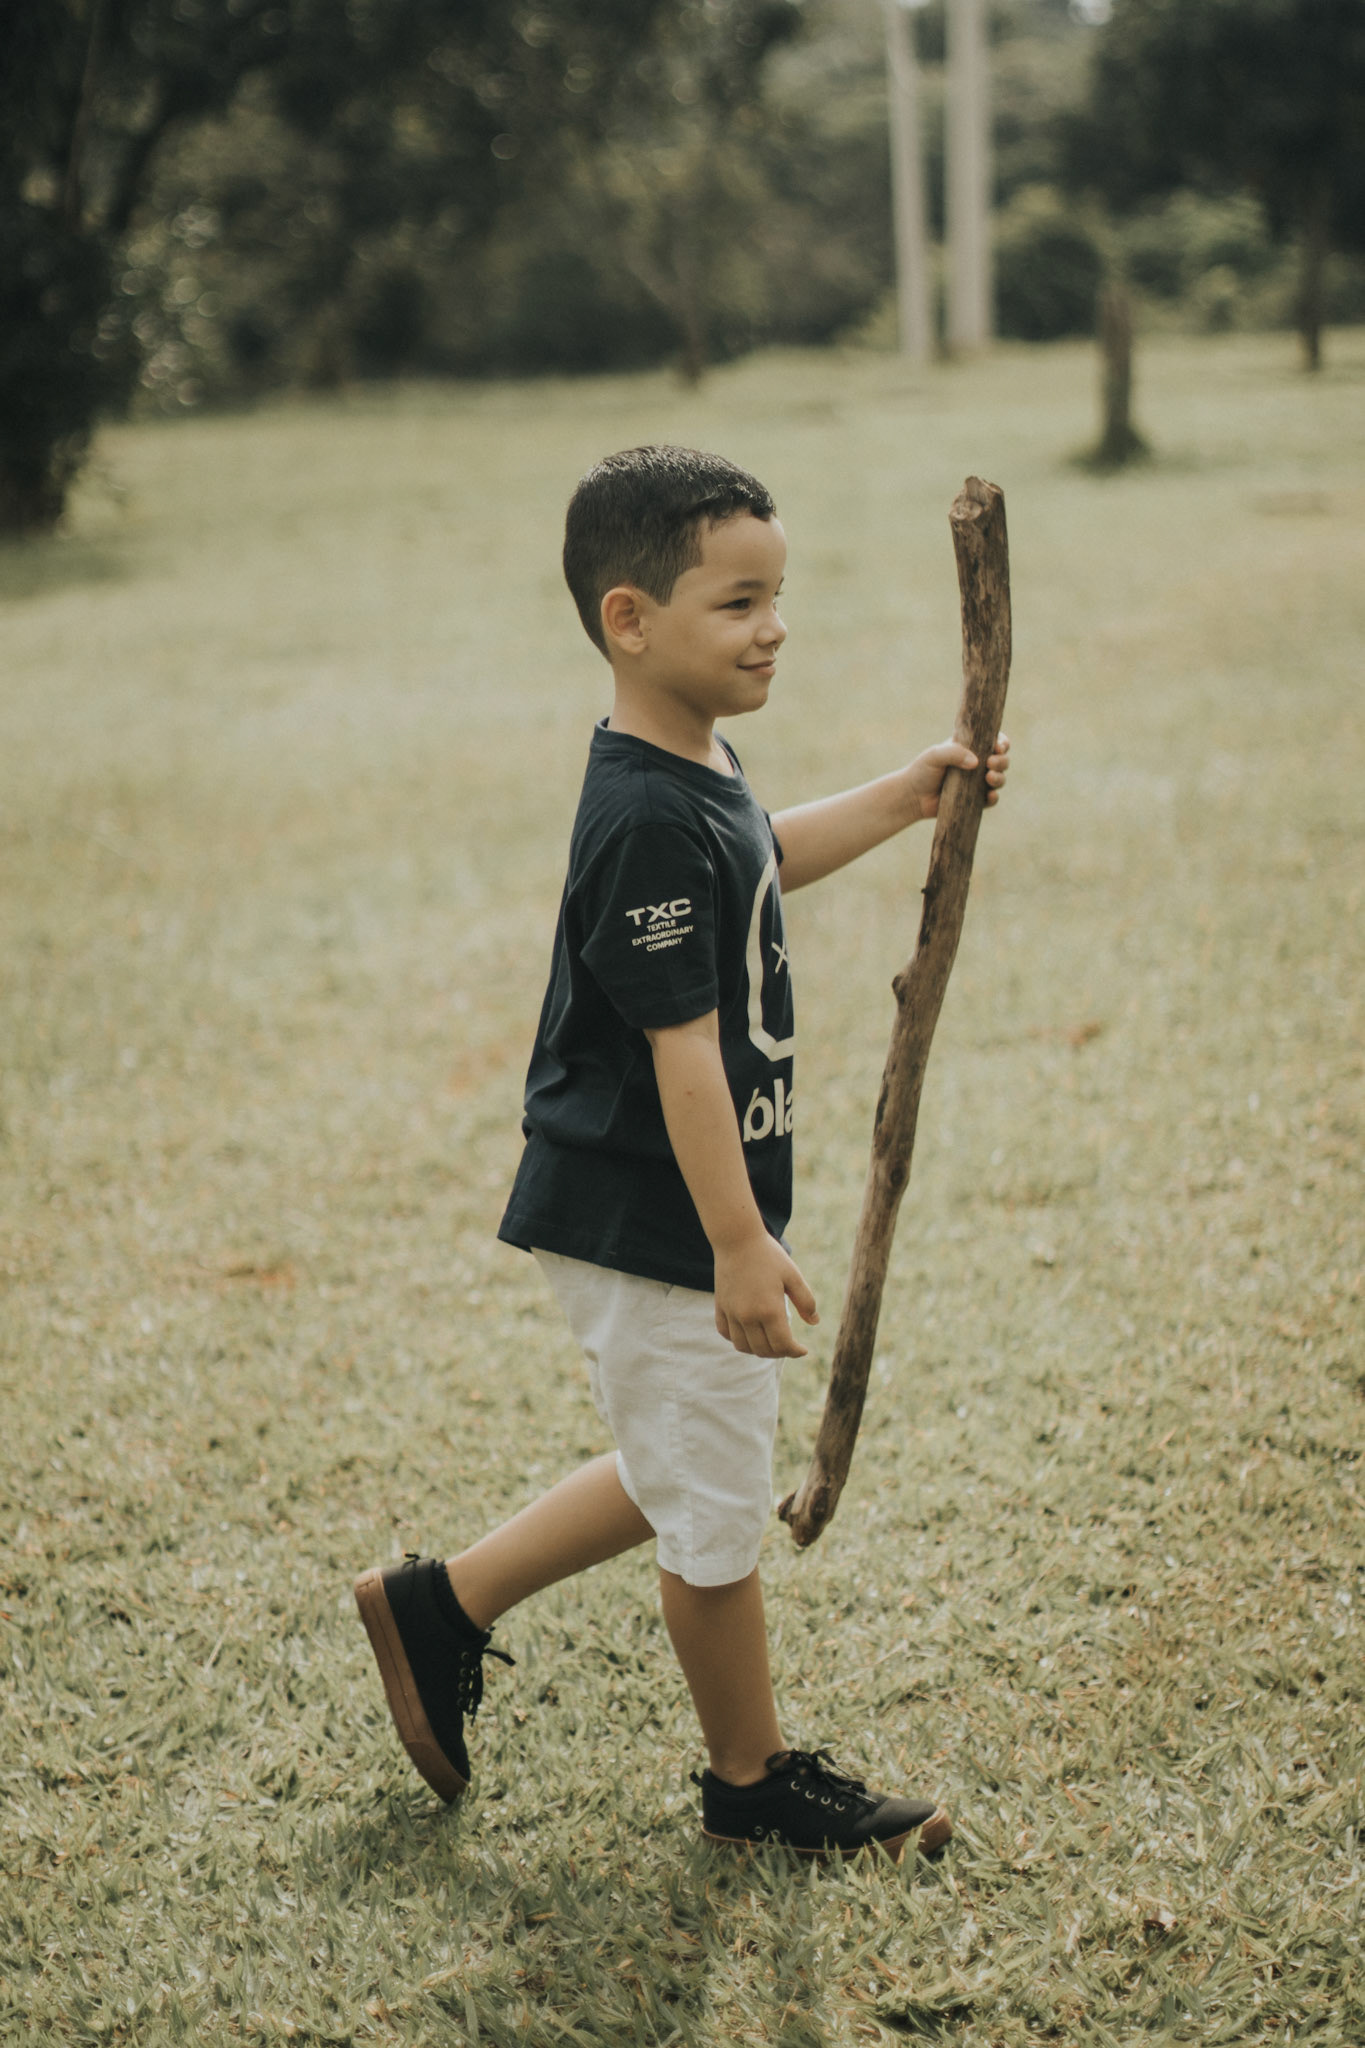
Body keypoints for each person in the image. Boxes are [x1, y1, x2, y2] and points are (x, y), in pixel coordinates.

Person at [355, 445, 1009, 1861]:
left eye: (777, 596)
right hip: (654, 1214)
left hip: (663, 1207)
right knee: (713, 1506)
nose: (773, 628)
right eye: (738, 603)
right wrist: (733, 1242)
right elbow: (682, 1052)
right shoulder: (646, 814)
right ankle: (748, 1780)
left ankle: (437, 1605)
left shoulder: (693, 765)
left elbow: (757, 854)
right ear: (630, 620)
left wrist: (903, 797)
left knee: (681, 1453)